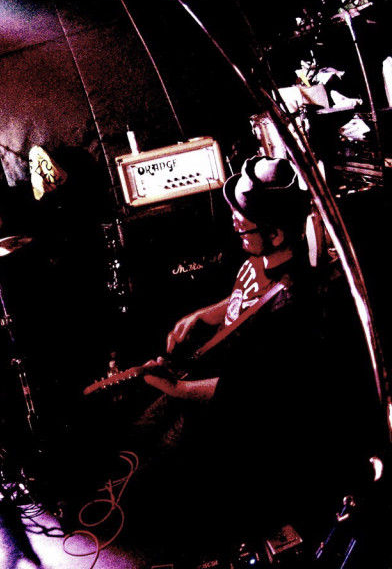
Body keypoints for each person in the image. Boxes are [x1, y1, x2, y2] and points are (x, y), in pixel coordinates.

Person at [127, 154, 348, 542]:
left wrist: (176, 388)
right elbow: (240, 301)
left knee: (142, 488)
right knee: (135, 432)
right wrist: (201, 316)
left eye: (244, 220)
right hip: (206, 378)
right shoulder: (258, 260)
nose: (235, 223)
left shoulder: (290, 306)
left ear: (275, 234)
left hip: (226, 408)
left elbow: (245, 391)